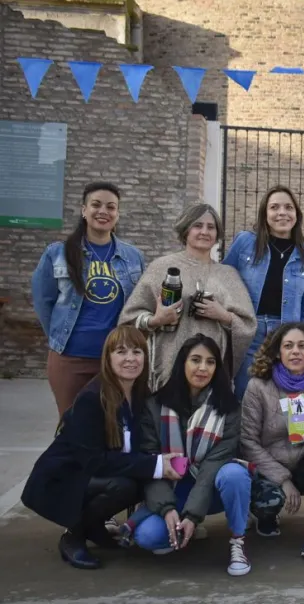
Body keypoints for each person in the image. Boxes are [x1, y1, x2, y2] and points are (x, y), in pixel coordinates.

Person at [21, 327, 182, 569]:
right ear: (108, 358)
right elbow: (93, 461)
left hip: (96, 473)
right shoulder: (92, 398)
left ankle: (94, 527)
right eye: (121, 352)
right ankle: (73, 535)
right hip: (64, 477)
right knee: (124, 485)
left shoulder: (140, 395)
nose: (130, 358)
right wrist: (157, 465)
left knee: (139, 481)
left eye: (137, 351)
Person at [132, 335, 252, 576]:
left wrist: (192, 515)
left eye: (210, 362)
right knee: (147, 537)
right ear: (182, 363)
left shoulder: (228, 408)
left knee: (234, 474)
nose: (203, 368)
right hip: (175, 488)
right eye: (195, 360)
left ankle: (237, 541)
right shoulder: (155, 406)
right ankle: (184, 528)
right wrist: (167, 509)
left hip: (213, 489)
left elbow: (212, 466)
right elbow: (151, 463)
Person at [31, 182, 146, 416]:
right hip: (70, 358)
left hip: (116, 359)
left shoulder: (133, 257)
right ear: (84, 210)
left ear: (117, 214)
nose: (103, 211)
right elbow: (44, 302)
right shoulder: (57, 253)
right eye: (96, 205)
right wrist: (59, 338)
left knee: (114, 427)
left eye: (111, 207)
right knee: (72, 427)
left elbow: (138, 303)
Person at [120, 203, 256, 391]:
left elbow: (248, 325)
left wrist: (223, 315)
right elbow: (128, 319)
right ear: (186, 230)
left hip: (210, 370)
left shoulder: (228, 274)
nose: (204, 232)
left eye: (211, 227)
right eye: (198, 226)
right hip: (167, 364)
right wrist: (155, 320)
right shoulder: (162, 267)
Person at [241, 323, 304, 558]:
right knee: (266, 504)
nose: (296, 351)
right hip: (270, 468)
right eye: (288, 346)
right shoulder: (258, 386)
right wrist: (283, 480)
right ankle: (265, 517)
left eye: (302, 346)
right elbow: (247, 441)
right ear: (277, 352)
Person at [223, 186, 304, 399]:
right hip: (250, 331)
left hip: (288, 336)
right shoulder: (245, 243)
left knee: (286, 400)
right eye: (274, 207)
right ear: (265, 214)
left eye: (288, 207)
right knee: (246, 396)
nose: (282, 213)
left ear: (296, 214)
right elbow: (224, 281)